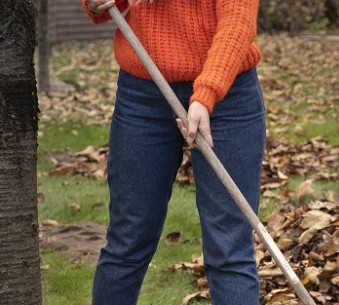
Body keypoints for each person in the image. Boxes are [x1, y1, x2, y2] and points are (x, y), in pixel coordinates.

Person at [82, 0, 266, 304]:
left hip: (228, 95)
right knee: (127, 240)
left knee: (229, 247)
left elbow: (238, 20)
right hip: (142, 94)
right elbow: (98, 8)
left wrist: (206, 93)